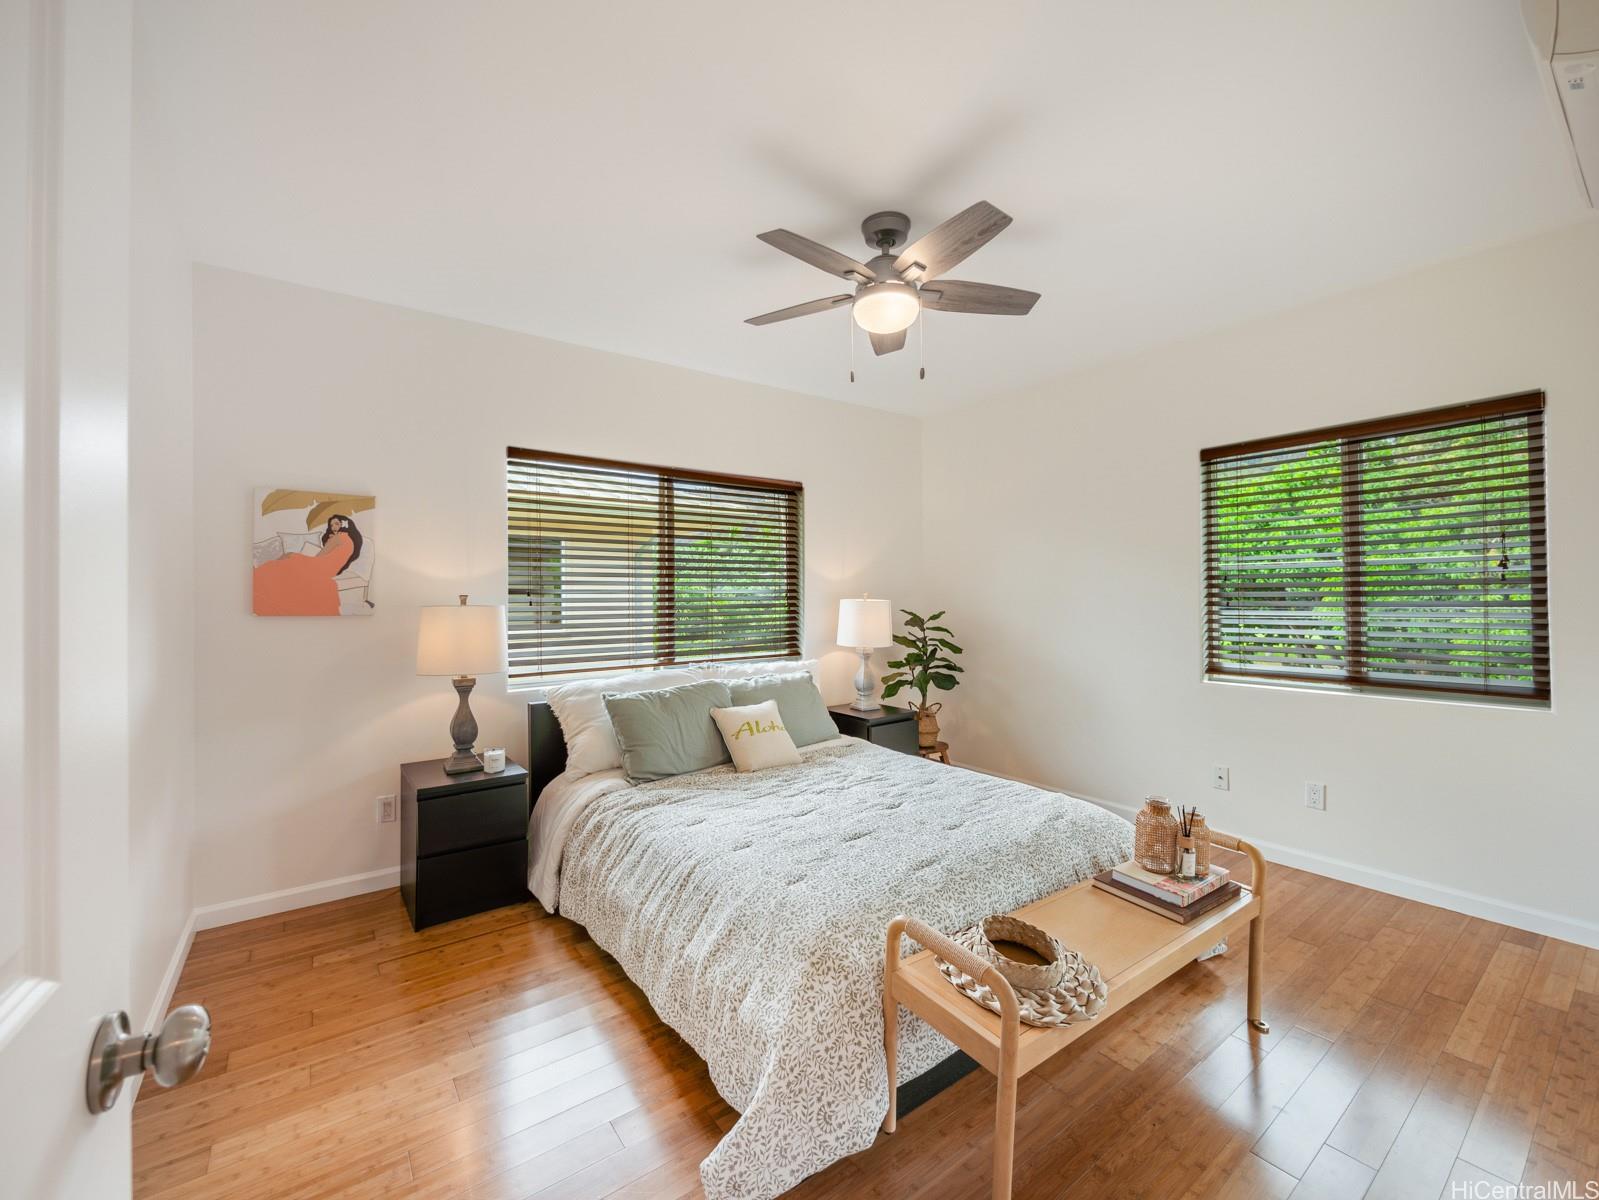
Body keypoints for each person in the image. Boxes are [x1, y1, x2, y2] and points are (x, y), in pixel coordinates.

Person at [252, 514, 363, 616]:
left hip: (321, 566)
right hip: (327, 568)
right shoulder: (348, 540)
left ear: (344, 524)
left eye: (336, 524)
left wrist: (305, 560)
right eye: (331, 524)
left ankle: (262, 578)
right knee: (288, 559)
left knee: (287, 559)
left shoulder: (339, 537)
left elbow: (320, 556)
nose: (333, 527)